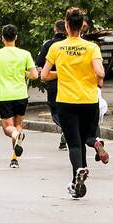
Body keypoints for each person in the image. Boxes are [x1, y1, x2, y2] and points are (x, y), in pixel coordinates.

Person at [44, 8, 106, 199]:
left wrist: (60, 73)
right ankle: (95, 144)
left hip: (66, 101)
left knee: (74, 144)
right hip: (89, 100)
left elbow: (44, 75)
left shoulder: (56, 48)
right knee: (87, 136)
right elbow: (101, 74)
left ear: (67, 25)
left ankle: (79, 170)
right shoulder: (91, 47)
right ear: (82, 26)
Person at [0, 25, 37, 168]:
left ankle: (16, 137)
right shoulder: (25, 54)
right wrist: (24, 73)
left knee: (8, 128)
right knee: (18, 125)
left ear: (2, 38)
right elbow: (34, 75)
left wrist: (0, 72)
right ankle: (14, 158)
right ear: (16, 37)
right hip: (21, 94)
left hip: (5, 95)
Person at [36, 20, 68, 149]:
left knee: (55, 109)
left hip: (53, 81)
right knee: (68, 108)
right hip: (70, 81)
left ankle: (65, 129)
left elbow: (39, 62)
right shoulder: (71, 44)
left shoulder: (49, 44)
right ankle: (67, 131)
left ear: (55, 29)